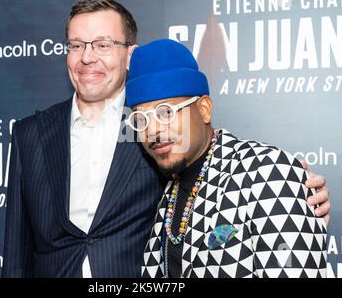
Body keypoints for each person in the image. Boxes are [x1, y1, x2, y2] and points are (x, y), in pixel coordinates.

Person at [2, 0, 330, 278]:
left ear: (129, 54)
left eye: (103, 44)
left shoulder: (253, 168)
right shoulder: (31, 134)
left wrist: (290, 190)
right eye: (76, 45)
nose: (88, 56)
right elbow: (17, 249)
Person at [124, 39, 327, 278]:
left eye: (166, 112)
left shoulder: (269, 172)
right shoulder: (169, 190)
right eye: (141, 120)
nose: (153, 131)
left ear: (204, 109)